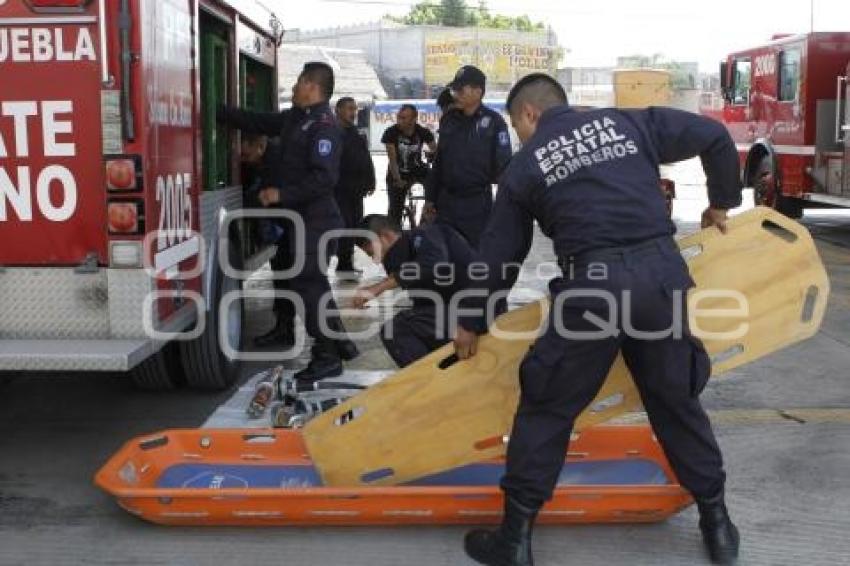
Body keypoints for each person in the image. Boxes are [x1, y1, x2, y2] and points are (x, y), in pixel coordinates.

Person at [454, 74, 742, 565]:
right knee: (675, 398)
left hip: (594, 288)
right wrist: (722, 202)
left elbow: (501, 254)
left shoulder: (525, 166)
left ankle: (515, 538)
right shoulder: (629, 122)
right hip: (659, 278)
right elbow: (715, 137)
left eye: (519, 126)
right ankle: (717, 522)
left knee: (547, 405)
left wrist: (472, 318)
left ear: (528, 115)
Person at [219, 62, 359, 382]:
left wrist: (280, 194)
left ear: (311, 86)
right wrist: (218, 111)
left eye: (297, 82)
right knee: (314, 287)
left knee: (309, 289)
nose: (293, 88)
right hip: (301, 220)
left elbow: (323, 179)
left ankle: (326, 357)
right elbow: (260, 121)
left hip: (317, 221)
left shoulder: (324, 125)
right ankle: (340, 345)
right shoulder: (297, 118)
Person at [350, 214, 479, 367]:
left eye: (373, 253)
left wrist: (379, 287)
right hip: (458, 313)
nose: (376, 260)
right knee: (413, 323)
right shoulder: (406, 256)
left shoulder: (427, 235)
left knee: (396, 329)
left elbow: (433, 264)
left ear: (386, 236)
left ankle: (427, 384)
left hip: (475, 310)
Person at [424, 65, 513, 248]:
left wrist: (504, 209)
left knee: (473, 255)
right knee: (444, 255)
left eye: (460, 89)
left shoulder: (494, 123)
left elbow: (504, 168)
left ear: (478, 91)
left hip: (476, 204)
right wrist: (430, 198)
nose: (455, 93)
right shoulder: (449, 120)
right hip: (446, 202)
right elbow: (439, 162)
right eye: (454, 89)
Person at [239, 134, 296, 347]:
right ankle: (285, 328)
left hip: (294, 229)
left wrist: (243, 203)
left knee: (295, 283)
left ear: (260, 146)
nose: (244, 159)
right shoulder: (269, 159)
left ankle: (331, 345)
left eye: (246, 154)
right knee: (285, 280)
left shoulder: (277, 164)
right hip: (287, 228)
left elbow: (264, 198)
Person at [334, 96, 376, 279]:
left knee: (353, 225)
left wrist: (371, 180)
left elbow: (365, 159)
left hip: (356, 190)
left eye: (355, 109)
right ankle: (342, 264)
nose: (353, 112)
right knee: (342, 227)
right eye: (349, 108)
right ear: (338, 110)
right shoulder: (332, 133)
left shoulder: (356, 133)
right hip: (339, 190)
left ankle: (347, 263)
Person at [381, 104, 436, 227]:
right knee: (395, 210)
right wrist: (397, 179)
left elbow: (436, 150)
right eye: (399, 117)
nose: (400, 120)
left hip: (417, 168)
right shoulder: (391, 133)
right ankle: (394, 235)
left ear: (414, 118)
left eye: (404, 117)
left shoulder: (422, 132)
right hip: (398, 171)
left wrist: (432, 153)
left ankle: (425, 223)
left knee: (435, 186)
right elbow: (392, 160)